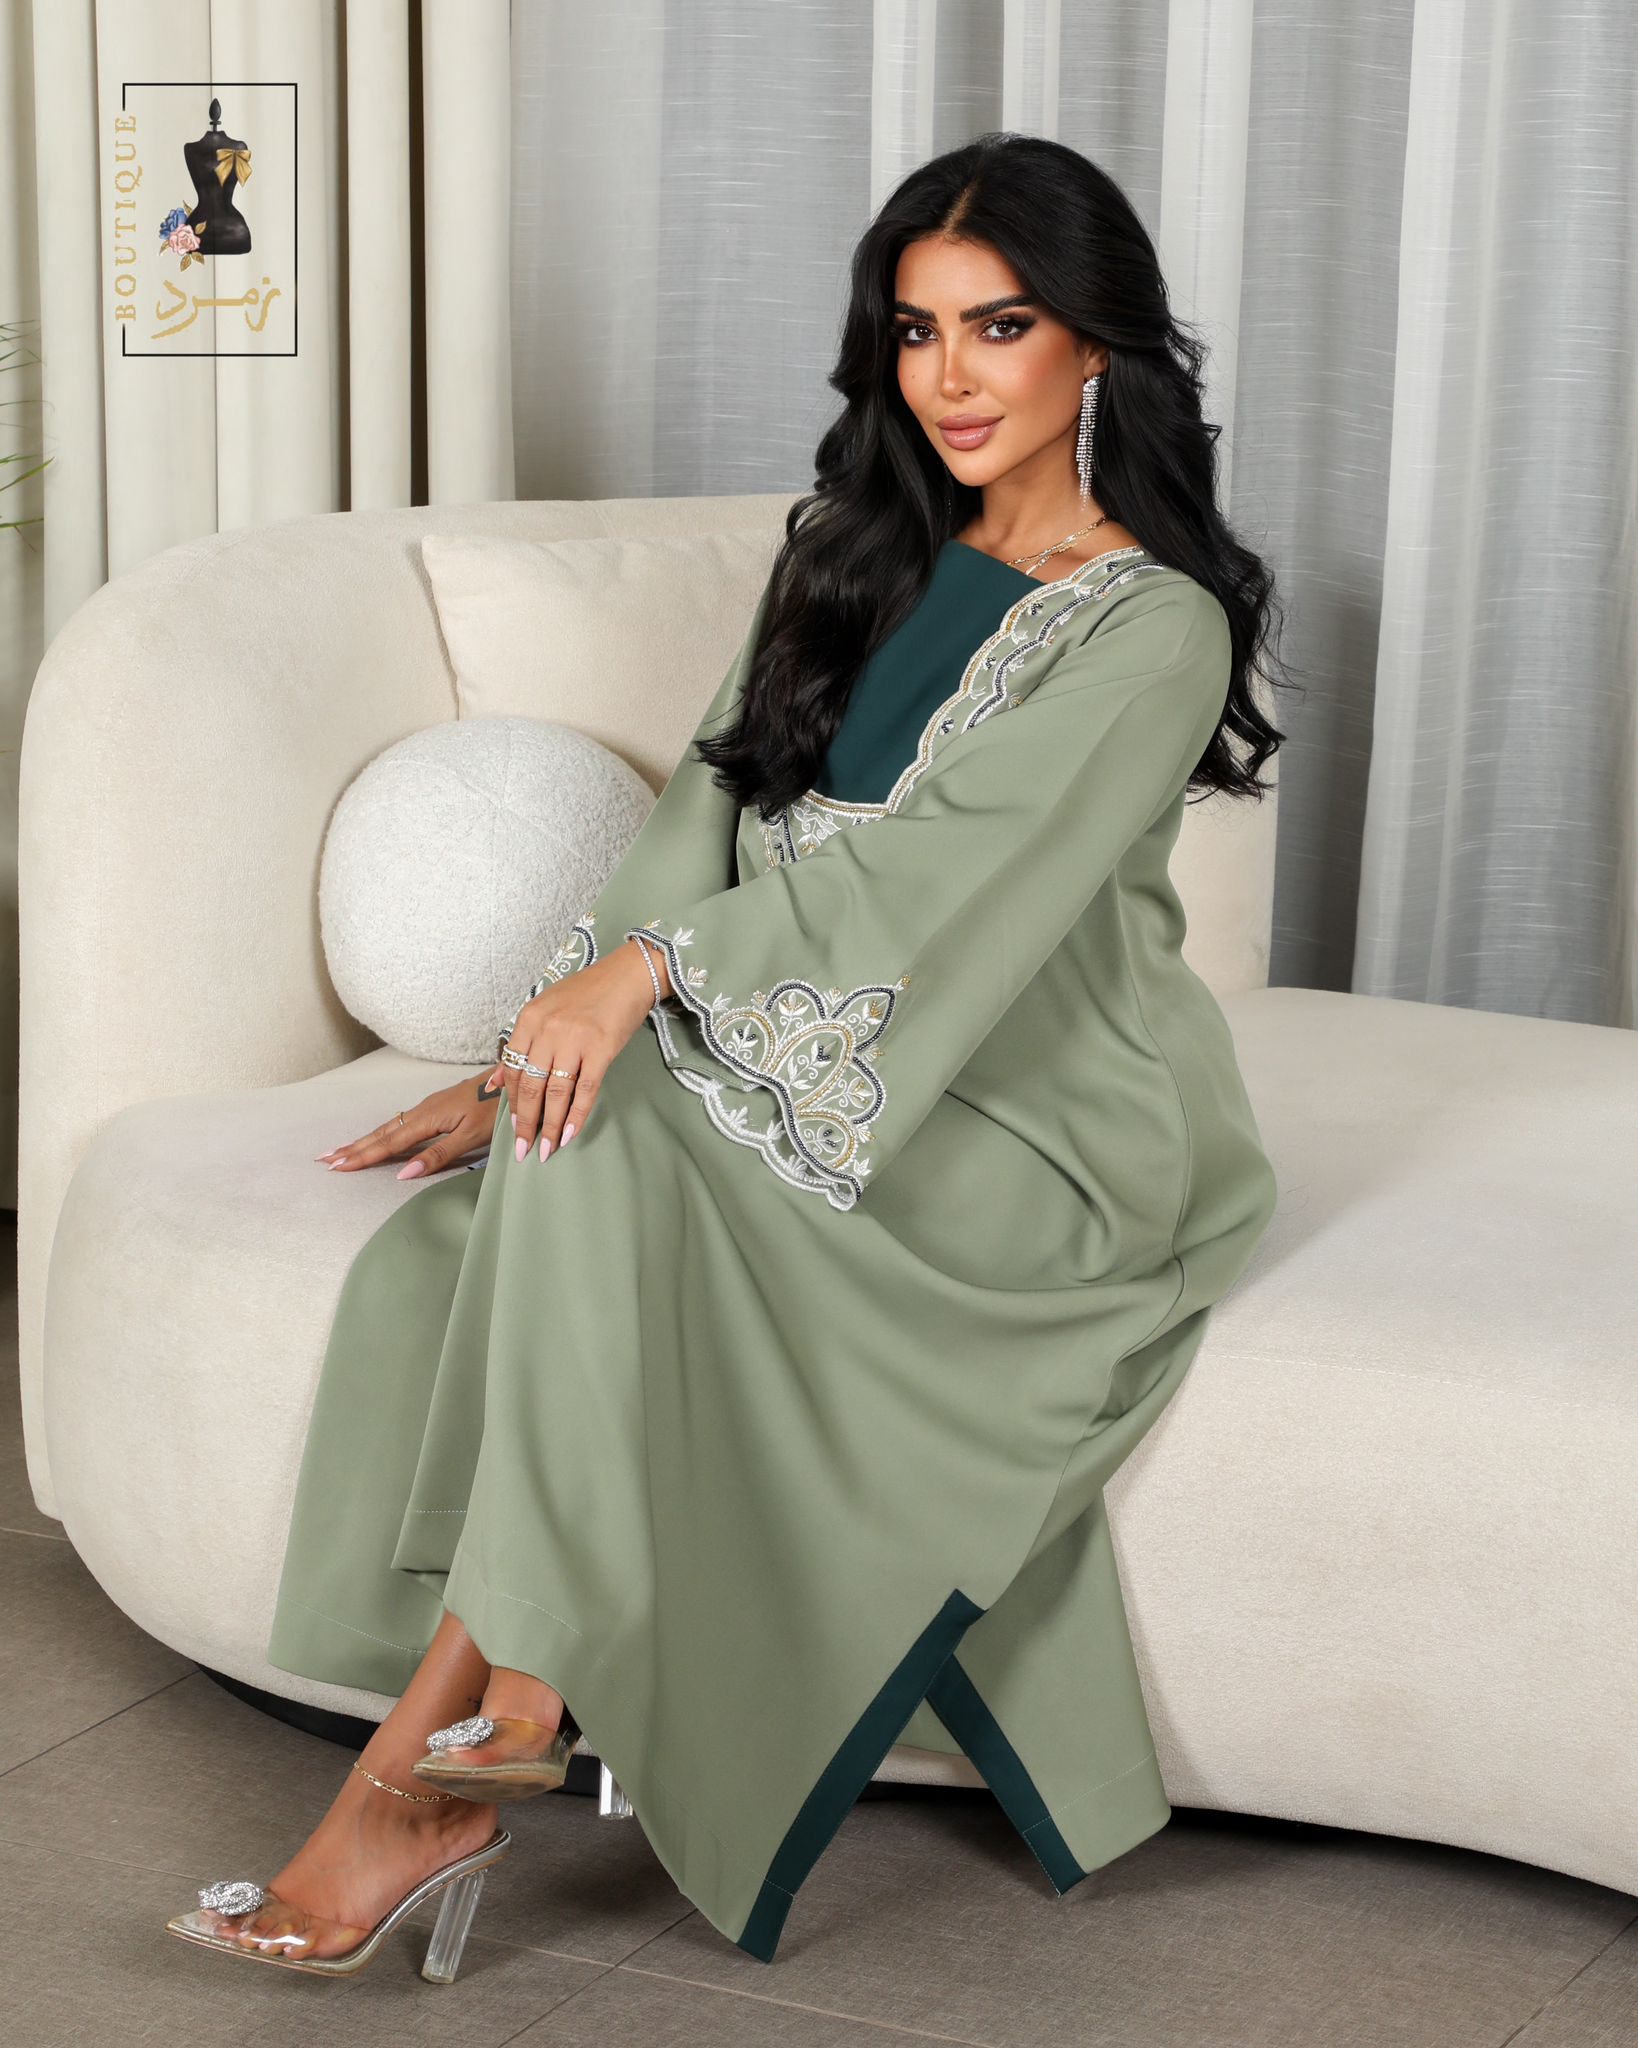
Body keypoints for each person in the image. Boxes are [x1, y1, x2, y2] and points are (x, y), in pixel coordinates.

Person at [165, 130, 1294, 1979]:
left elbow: (939, 884)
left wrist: (641, 992)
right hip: (817, 1049)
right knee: (542, 1164)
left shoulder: (1150, 620)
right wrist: (539, 1046)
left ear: (1097, 345)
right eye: (915, 330)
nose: (950, 377)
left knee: (604, 1146)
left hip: (1045, 1128)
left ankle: (446, 1755)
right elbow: (702, 813)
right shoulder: (847, 555)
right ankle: (471, 1741)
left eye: (999, 326)